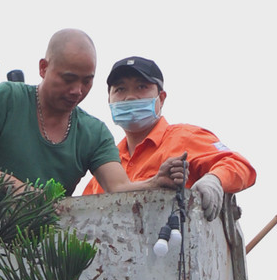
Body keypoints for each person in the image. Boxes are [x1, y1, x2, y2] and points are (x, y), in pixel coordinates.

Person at [0, 30, 186, 196]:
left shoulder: (94, 133)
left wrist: (154, 182)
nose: (77, 91)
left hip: (49, 250)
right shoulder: (7, 98)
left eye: (87, 81)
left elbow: (118, 187)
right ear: (44, 68)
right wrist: (18, 191)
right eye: (68, 79)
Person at [82, 55, 256, 219]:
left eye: (141, 87)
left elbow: (239, 165)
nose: (130, 97)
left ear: (162, 98)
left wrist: (214, 180)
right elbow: (82, 214)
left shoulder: (184, 138)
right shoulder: (107, 162)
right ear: (109, 100)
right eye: (120, 89)